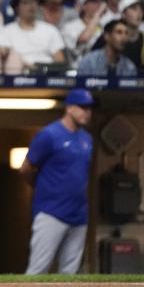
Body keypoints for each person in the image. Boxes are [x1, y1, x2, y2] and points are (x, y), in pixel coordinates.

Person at [20, 89, 96, 275]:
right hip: (51, 211)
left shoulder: (87, 139)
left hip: (78, 213)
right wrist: (40, 187)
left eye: (89, 109)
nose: (87, 112)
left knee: (70, 272)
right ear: (69, 108)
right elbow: (26, 168)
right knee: (39, 268)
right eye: (82, 107)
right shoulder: (50, 135)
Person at [0, 0, 67, 74]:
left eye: (33, 1)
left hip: (46, 75)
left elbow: (60, 61)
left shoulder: (50, 29)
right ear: (17, 7)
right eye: (26, 2)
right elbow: (4, 59)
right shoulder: (6, 31)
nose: (31, 5)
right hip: (18, 74)